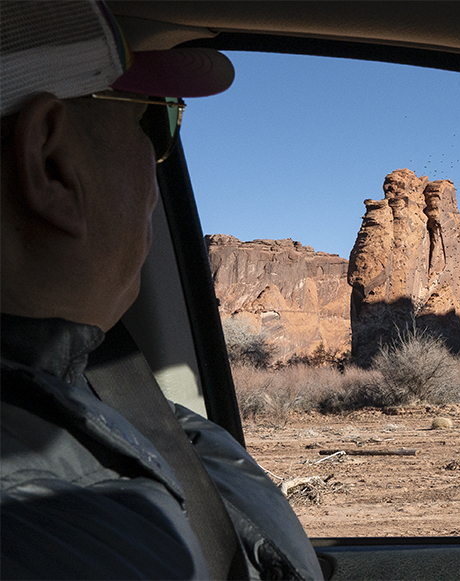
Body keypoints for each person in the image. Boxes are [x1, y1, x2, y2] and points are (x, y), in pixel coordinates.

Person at [0, 1, 324, 579]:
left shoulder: (97, 408)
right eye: (156, 122)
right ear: (50, 162)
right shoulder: (61, 528)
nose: (157, 166)